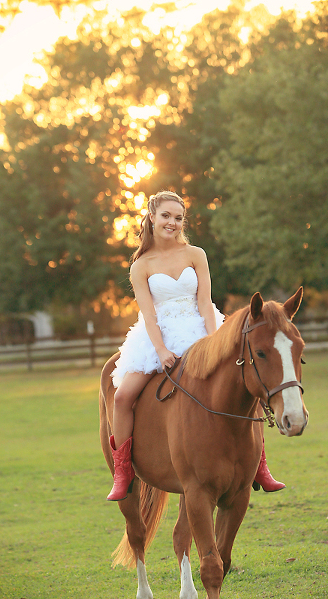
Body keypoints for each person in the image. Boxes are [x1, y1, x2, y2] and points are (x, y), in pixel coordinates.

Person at [107, 190, 284, 501]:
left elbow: (204, 301)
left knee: (243, 383)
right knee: (122, 397)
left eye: (178, 218)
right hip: (159, 334)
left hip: (200, 328)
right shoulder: (140, 265)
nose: (172, 223)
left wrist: (214, 342)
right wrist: (161, 350)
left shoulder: (195, 254)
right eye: (166, 216)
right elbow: (148, 314)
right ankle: (123, 472)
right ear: (152, 217)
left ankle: (259, 465)